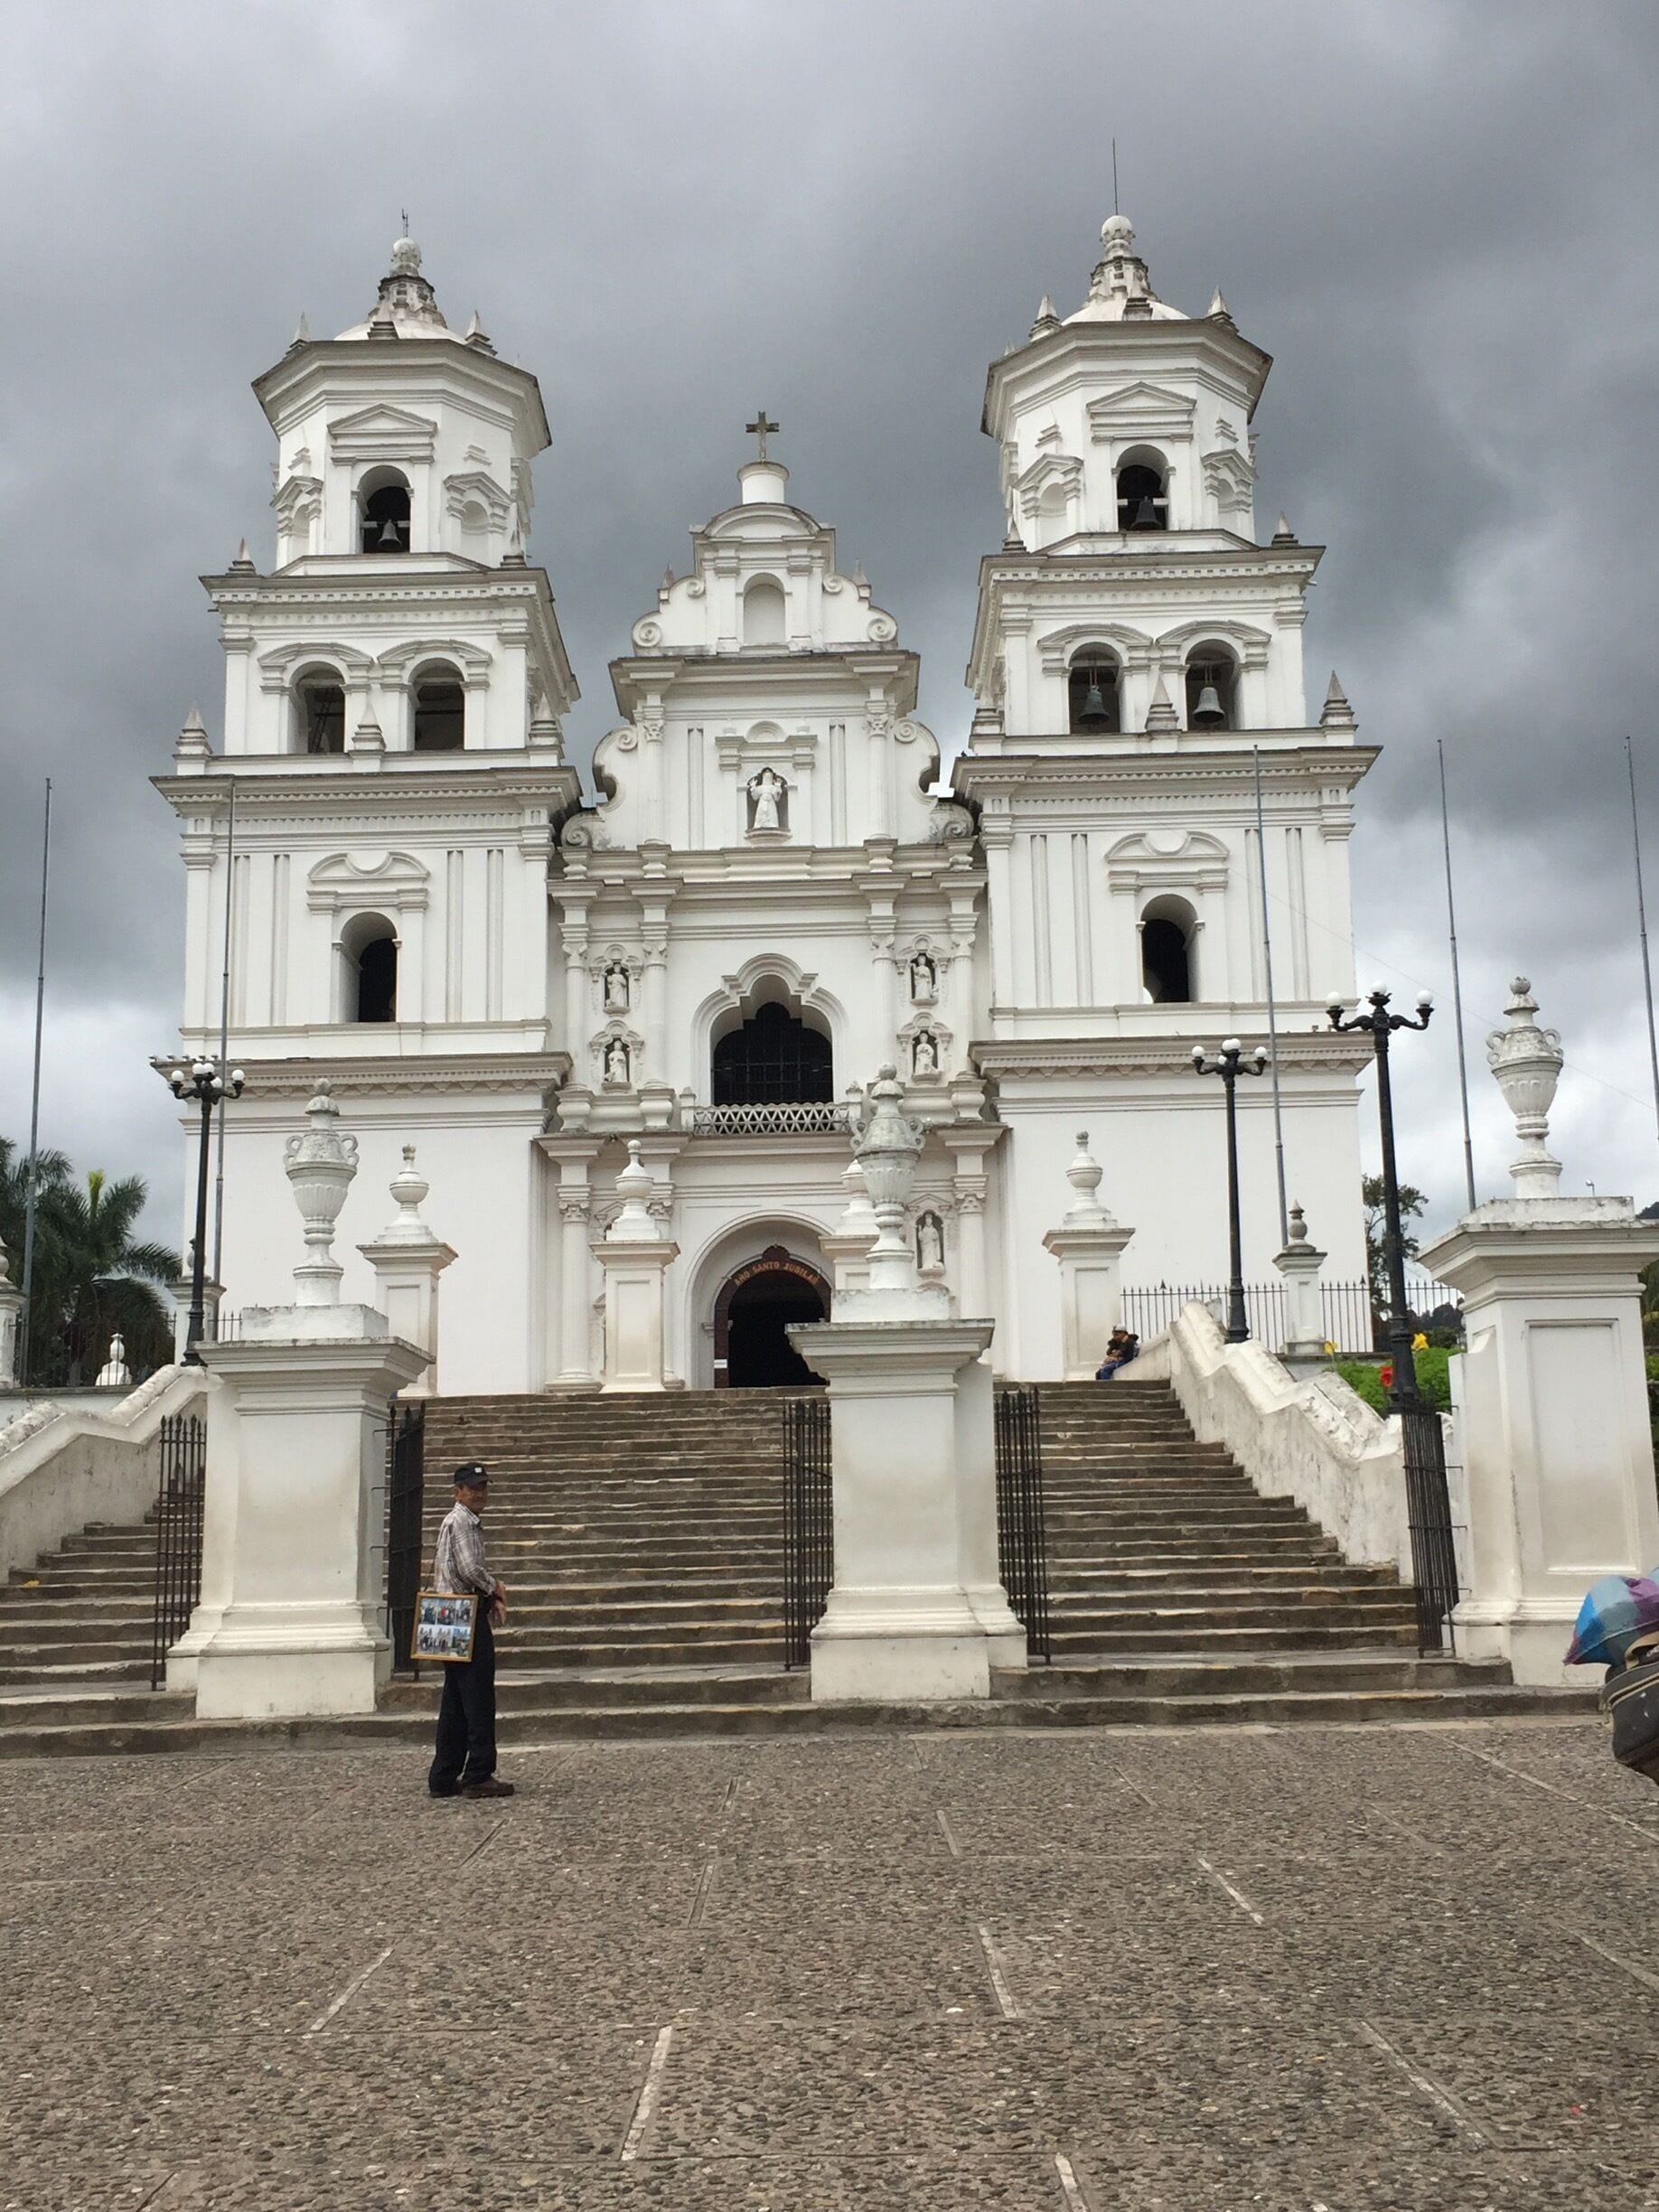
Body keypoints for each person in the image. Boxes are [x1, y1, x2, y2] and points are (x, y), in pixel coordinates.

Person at [427, 1462, 513, 1801]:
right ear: (457, 1491)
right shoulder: (462, 1521)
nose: (479, 1493)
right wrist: (496, 1587)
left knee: (455, 1698)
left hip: (449, 1613)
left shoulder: (460, 1520)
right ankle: (478, 1771)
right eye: (472, 1487)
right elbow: (468, 1569)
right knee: (477, 1695)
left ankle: (444, 1774)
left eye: (482, 1487)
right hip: (464, 1611)